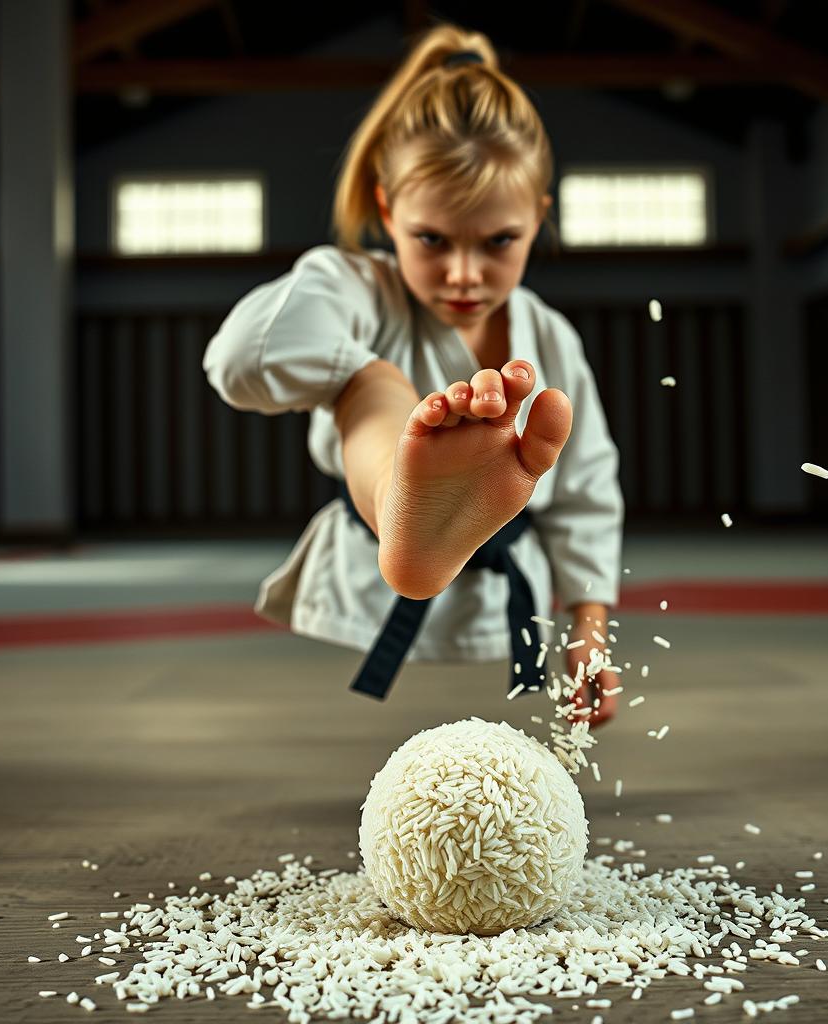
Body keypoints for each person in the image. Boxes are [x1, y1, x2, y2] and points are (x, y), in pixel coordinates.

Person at [203, 24, 624, 726]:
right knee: (369, 391)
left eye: (499, 242)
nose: (463, 273)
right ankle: (404, 499)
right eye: (432, 240)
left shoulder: (549, 337)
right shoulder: (359, 291)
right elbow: (239, 361)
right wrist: (367, 374)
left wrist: (588, 628)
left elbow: (586, 491)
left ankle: (425, 503)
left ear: (538, 218)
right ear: (387, 210)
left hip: (506, 600)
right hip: (367, 590)